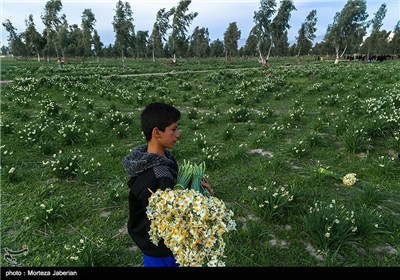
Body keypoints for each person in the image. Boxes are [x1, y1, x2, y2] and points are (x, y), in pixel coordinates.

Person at [122, 102, 213, 267]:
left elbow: (176, 197)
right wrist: (204, 202)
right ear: (157, 132)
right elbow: (172, 216)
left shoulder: (152, 158)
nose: (178, 134)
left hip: (162, 248)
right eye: (174, 129)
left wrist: (199, 190)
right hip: (163, 252)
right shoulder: (157, 175)